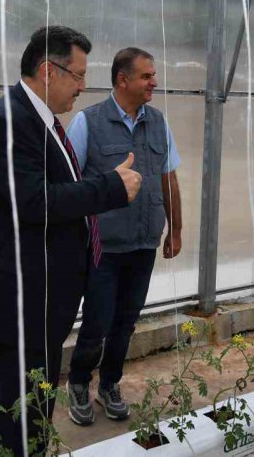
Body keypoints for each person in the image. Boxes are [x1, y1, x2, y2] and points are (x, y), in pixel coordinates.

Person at [0, 25, 141, 456]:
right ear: (48, 70)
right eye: (78, 75)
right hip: (17, 302)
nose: (83, 86)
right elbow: (34, 201)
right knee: (17, 417)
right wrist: (110, 188)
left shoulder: (39, 123)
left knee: (34, 411)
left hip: (40, 300)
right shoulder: (7, 123)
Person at [64, 47, 183, 425]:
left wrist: (175, 229)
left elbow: (169, 177)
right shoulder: (88, 122)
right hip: (103, 247)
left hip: (144, 243)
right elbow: (67, 185)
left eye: (154, 75)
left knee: (126, 321)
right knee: (97, 322)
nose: (154, 82)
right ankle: (79, 383)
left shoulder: (158, 122)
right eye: (147, 76)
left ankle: (110, 384)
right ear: (123, 80)